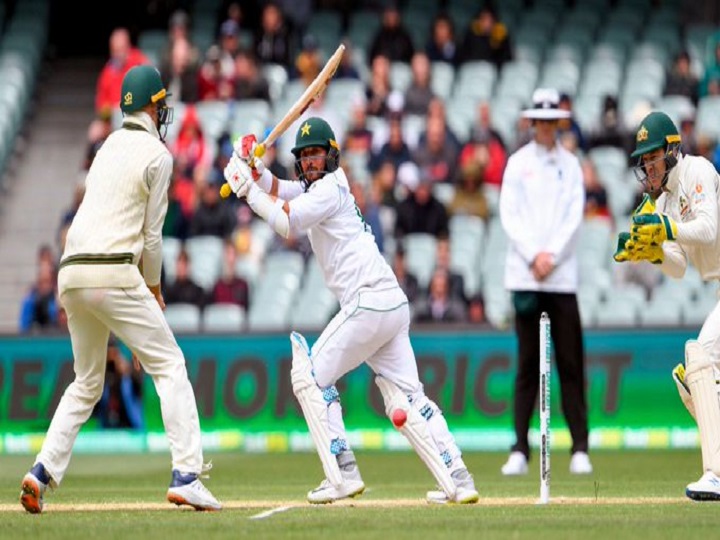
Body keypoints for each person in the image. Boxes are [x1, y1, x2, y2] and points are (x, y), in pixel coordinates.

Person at [222, 117, 479, 504]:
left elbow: (286, 222)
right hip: (389, 302)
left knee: (309, 376)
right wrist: (254, 171)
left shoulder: (327, 188)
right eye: (304, 156)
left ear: (332, 156)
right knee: (410, 397)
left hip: (368, 301)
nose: (310, 162)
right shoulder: (322, 187)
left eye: (317, 154)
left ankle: (342, 472)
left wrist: (247, 192)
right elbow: (280, 189)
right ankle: (458, 478)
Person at [19, 65, 221, 514]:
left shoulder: (107, 145)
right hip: (114, 269)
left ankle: (40, 472)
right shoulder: (159, 154)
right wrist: (153, 285)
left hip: (71, 272)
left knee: (86, 382)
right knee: (169, 364)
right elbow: (151, 236)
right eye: (160, 103)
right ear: (153, 105)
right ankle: (187, 474)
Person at [613, 111, 720, 501]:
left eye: (653, 157)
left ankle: (717, 473)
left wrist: (667, 229)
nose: (647, 166)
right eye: (643, 160)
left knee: (698, 356)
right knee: (688, 379)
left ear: (673, 151)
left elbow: (708, 229)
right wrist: (652, 251)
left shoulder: (699, 172)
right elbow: (678, 267)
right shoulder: (664, 202)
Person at [498, 88, 592, 477]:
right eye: (542, 120)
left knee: (570, 364)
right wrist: (533, 255)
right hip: (526, 276)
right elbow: (510, 214)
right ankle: (520, 447)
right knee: (526, 365)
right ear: (533, 122)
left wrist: (550, 255)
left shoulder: (570, 165)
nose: (547, 127)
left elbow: (575, 215)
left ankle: (580, 447)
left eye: (553, 121)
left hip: (561, 277)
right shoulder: (518, 163)